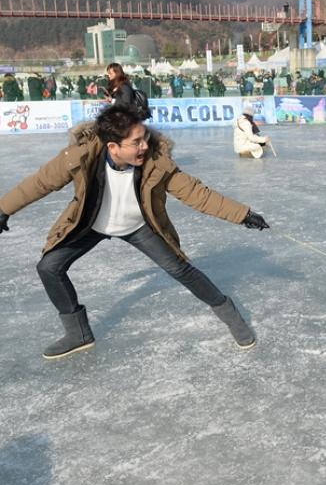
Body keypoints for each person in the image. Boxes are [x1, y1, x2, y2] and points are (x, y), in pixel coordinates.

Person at [0, 104, 269, 360]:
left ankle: (229, 314)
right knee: (48, 267)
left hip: (139, 226)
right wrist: (4, 209)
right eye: (137, 142)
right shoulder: (80, 156)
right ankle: (78, 333)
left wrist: (242, 214)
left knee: (181, 269)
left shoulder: (155, 163)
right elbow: (39, 182)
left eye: (145, 138)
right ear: (113, 147)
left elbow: (197, 193)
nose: (145, 146)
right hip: (91, 224)